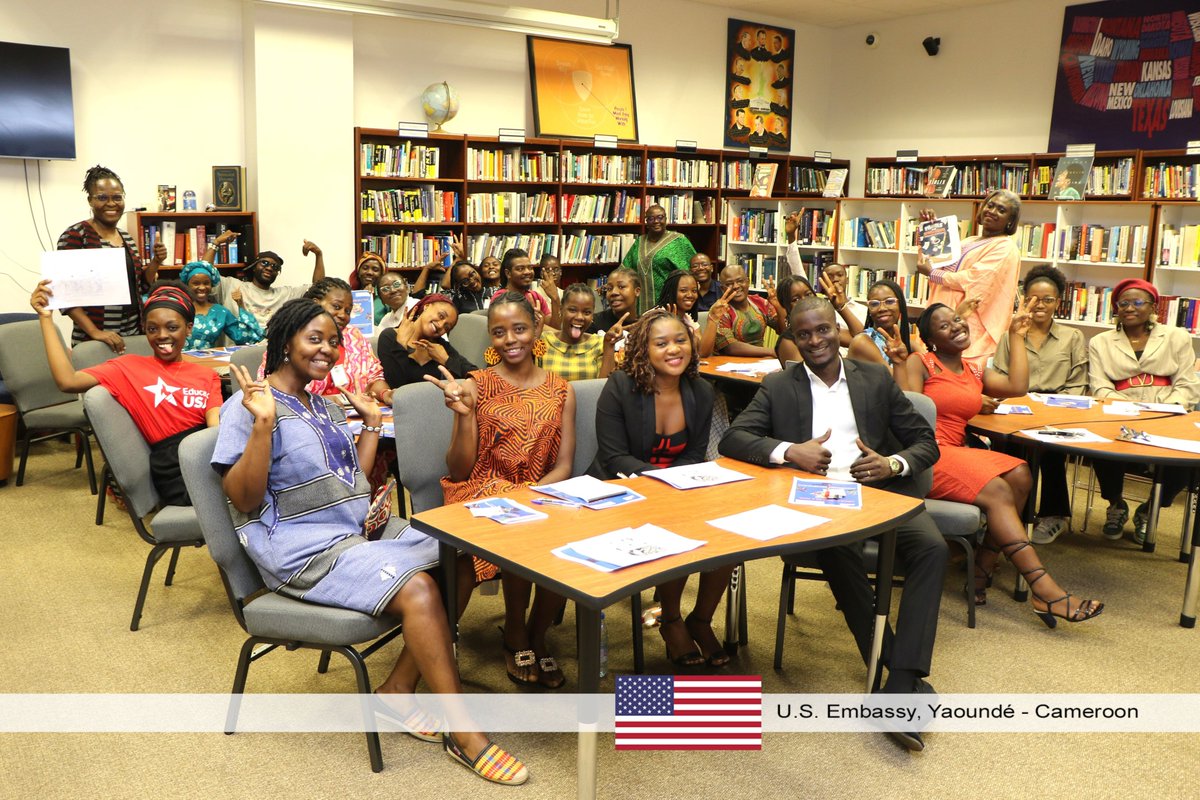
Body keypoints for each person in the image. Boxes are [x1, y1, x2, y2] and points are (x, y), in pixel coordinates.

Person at [215, 299, 528, 785]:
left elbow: (350, 485)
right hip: (301, 552)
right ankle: (464, 733)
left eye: (333, 341)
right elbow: (244, 498)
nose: (327, 349)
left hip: (352, 532)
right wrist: (262, 423)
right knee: (420, 589)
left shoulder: (324, 404)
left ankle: (398, 689)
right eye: (314, 338)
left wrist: (372, 426)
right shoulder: (248, 404)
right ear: (284, 341)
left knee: (464, 557)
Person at [719, 296, 947, 751]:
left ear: (836, 331)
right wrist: (790, 451)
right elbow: (734, 437)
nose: (815, 340)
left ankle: (900, 680)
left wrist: (894, 464)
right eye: (803, 334)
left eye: (823, 330)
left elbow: (925, 441)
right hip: (819, 499)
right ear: (794, 339)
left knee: (933, 548)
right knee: (837, 547)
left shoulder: (875, 378)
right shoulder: (779, 386)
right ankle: (896, 682)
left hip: (880, 492)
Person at [895, 302, 1103, 625]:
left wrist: (1016, 336)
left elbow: (1017, 387)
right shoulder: (921, 361)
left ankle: (980, 569)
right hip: (928, 454)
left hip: (956, 450)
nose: (956, 326)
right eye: (944, 325)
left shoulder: (974, 370)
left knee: (1020, 474)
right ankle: (1044, 589)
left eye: (957, 319)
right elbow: (907, 411)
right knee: (997, 493)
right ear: (931, 339)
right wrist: (899, 365)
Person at [428, 292, 577, 690]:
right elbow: (459, 469)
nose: (510, 339)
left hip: (540, 491)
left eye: (519, 329)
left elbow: (563, 465)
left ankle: (538, 632)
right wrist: (462, 417)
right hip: (480, 491)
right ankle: (515, 631)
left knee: (563, 535)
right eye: (499, 332)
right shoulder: (476, 384)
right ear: (490, 338)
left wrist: (532, 494)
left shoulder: (562, 390)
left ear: (537, 329)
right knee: (523, 530)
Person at [590, 309, 733, 667]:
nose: (674, 349)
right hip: (620, 493)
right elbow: (614, 457)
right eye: (662, 343)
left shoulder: (701, 391)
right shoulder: (620, 386)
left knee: (727, 535)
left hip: (676, 491)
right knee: (679, 530)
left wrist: (673, 489)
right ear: (644, 350)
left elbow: (696, 454)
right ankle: (670, 620)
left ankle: (700, 620)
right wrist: (663, 486)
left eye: (680, 340)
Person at [31, 281, 220, 506]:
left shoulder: (208, 376)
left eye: (172, 327)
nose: (161, 336)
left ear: (189, 328)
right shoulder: (127, 367)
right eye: (152, 329)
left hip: (204, 458)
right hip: (175, 469)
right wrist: (45, 318)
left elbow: (216, 430)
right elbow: (67, 381)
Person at [1088, 278, 1200, 543]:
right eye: (1123, 303)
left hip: (1168, 410)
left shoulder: (1177, 337)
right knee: (1098, 444)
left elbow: (1186, 384)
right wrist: (1128, 410)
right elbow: (1100, 387)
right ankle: (1116, 504)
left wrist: (1165, 411)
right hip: (1119, 411)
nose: (1130, 308)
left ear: (1153, 307)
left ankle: (1150, 509)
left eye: (1138, 302)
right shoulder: (1100, 342)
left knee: (1187, 456)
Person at [992, 265, 1087, 544]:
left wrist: (1055, 410)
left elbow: (1078, 383)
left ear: (1058, 302)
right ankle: (1014, 513)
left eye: (1048, 299)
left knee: (1051, 450)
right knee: (1010, 448)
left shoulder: (1073, 337)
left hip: (1058, 411)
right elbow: (998, 376)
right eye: (1033, 298)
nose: (1040, 305)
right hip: (1017, 408)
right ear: (1024, 300)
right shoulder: (1011, 335)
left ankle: (1054, 514)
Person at [57, 165, 168, 351]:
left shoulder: (127, 238)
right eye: (102, 197)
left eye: (117, 197)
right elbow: (64, 294)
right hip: (95, 341)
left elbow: (141, 285)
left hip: (133, 334)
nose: (111, 203)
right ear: (90, 201)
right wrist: (95, 332)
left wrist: (156, 262)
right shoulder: (76, 235)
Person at [915, 189, 1022, 368]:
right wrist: (930, 230)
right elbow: (933, 263)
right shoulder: (969, 240)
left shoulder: (1005, 248)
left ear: (1010, 221)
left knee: (960, 379)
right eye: (990, 205)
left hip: (969, 327)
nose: (992, 211)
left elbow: (974, 280)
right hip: (942, 318)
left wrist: (934, 274)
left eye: (1001, 210)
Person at [378, 294, 473, 389]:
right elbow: (394, 385)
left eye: (446, 327)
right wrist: (401, 345)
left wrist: (447, 361)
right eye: (441, 316)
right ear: (426, 307)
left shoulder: (440, 347)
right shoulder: (389, 336)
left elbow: (476, 374)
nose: (440, 325)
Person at [226, 240, 326, 329]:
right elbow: (209, 275)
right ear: (254, 267)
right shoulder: (234, 285)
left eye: (275, 266)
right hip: (241, 348)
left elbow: (318, 288)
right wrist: (215, 244)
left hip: (271, 347)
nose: (269, 268)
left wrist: (319, 255)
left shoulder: (284, 294)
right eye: (264, 263)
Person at [620, 205, 697, 314]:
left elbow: (692, 272)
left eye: (660, 217)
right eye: (651, 218)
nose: (656, 221)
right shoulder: (639, 241)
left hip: (669, 305)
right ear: (646, 222)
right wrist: (610, 284)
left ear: (666, 220)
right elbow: (625, 269)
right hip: (640, 304)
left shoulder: (679, 241)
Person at [537, 284, 619, 381]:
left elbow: (604, 387)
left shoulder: (599, 344)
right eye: (572, 310)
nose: (579, 317)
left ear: (593, 315)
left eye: (587, 312)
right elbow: (531, 376)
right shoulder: (543, 340)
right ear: (561, 310)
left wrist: (609, 346)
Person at [179, 260, 264, 349]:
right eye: (196, 283)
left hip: (206, 361)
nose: (202, 287)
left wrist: (240, 305)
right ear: (187, 285)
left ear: (212, 285)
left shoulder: (220, 312)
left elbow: (245, 339)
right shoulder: (178, 308)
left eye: (206, 283)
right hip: (177, 360)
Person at [699, 264, 778, 358]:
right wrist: (770, 351)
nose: (736, 286)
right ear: (722, 288)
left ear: (748, 282)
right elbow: (730, 347)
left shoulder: (760, 302)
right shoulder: (720, 310)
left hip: (760, 360)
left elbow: (783, 329)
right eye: (729, 284)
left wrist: (777, 304)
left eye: (740, 281)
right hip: (728, 364)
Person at [847, 279, 914, 367]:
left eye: (889, 301)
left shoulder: (905, 341)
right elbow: (892, 380)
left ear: (900, 305)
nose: (882, 308)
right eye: (874, 304)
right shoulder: (862, 342)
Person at [491, 248, 559, 327]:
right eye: (520, 269)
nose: (527, 272)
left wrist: (555, 298)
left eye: (530, 268)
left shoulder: (535, 296)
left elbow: (555, 326)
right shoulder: (501, 297)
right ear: (508, 273)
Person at [589, 268, 642, 334]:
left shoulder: (645, 325)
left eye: (621, 287)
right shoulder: (594, 322)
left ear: (637, 291)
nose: (613, 292)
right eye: (609, 288)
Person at [348, 253, 386, 322]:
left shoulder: (386, 297)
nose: (369, 272)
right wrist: (363, 297)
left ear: (381, 274)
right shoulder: (348, 295)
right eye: (365, 268)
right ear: (358, 272)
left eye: (375, 269)